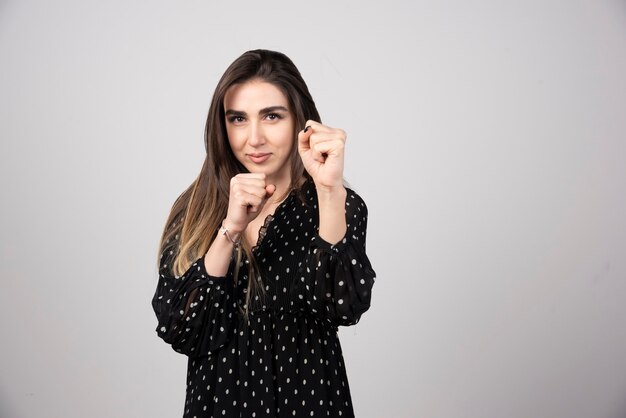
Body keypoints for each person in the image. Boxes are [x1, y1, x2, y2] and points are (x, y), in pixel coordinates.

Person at [152, 49, 376, 418]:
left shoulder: (338, 203)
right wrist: (231, 229)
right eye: (238, 119)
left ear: (300, 121)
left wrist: (329, 190)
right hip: (220, 405)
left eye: (272, 116)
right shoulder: (194, 208)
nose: (254, 138)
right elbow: (183, 329)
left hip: (310, 402)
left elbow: (341, 306)